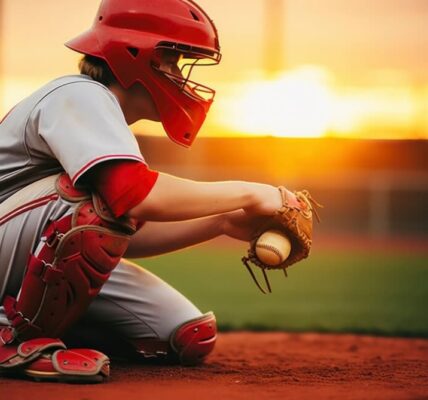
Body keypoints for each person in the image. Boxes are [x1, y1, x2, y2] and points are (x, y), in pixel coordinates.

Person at [0, 0, 301, 383]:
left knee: (188, 335)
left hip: (16, 257)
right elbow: (133, 196)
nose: (179, 74)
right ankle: (12, 334)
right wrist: (251, 193)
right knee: (90, 200)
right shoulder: (78, 94)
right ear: (135, 55)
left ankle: (43, 325)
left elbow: (116, 232)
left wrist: (223, 222)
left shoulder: (105, 116)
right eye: (173, 60)